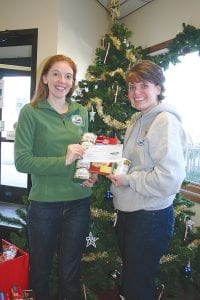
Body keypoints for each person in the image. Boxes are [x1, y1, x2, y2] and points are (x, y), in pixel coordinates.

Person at [14, 54, 97, 300]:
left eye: (68, 76)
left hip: (79, 201)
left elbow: (86, 152)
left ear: (73, 82)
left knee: (70, 273)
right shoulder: (31, 112)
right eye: (56, 74)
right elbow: (22, 162)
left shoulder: (81, 111)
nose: (62, 80)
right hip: (44, 204)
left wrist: (90, 173)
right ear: (45, 78)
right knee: (40, 271)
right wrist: (64, 159)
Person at [107, 60, 187, 300]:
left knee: (138, 287)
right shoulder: (136, 121)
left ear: (159, 88)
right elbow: (133, 163)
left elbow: (170, 179)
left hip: (149, 216)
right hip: (131, 212)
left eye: (144, 85)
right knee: (134, 281)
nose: (137, 92)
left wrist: (129, 180)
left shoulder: (164, 121)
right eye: (132, 87)